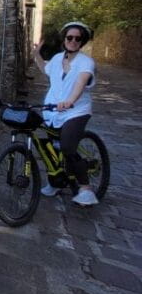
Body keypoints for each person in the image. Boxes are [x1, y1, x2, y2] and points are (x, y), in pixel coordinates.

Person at [32, 21, 98, 206]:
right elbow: (46, 70)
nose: (73, 41)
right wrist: (36, 55)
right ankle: (56, 181)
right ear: (65, 39)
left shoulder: (86, 62)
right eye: (70, 37)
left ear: (82, 41)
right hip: (53, 111)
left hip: (76, 111)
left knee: (67, 147)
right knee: (52, 148)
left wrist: (70, 101)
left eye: (78, 38)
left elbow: (81, 82)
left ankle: (85, 189)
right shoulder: (57, 59)